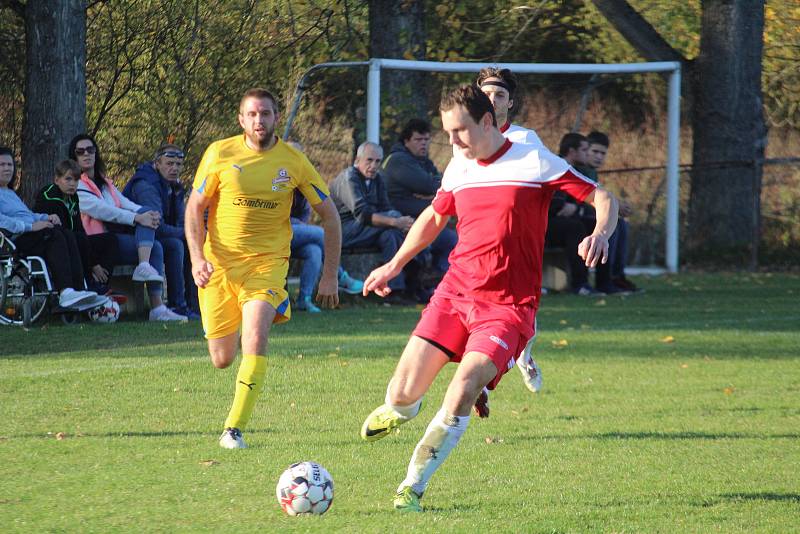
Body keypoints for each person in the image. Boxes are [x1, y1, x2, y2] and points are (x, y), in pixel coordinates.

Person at [359, 85, 618, 512]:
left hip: (508, 307)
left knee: (462, 387)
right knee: (402, 394)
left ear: (486, 121)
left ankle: (412, 486)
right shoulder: (459, 166)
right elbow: (436, 216)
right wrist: (395, 264)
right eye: (447, 133)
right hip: (455, 294)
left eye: (460, 130)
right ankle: (401, 409)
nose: (454, 141)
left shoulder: (533, 159)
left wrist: (600, 232)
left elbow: (602, 197)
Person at [185, 87, 342, 449]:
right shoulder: (220, 153)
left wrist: (330, 274)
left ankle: (233, 429)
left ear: (276, 117)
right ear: (241, 119)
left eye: (266, 114)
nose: (259, 120)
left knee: (254, 334)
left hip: (267, 265)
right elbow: (195, 208)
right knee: (222, 359)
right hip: (220, 267)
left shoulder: (293, 161)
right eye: (252, 114)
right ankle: (253, 313)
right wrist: (197, 258)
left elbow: (330, 216)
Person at [70, 133, 187, 321]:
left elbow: (124, 202)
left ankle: (157, 308)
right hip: (96, 242)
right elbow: (104, 211)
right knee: (152, 229)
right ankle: (146, 269)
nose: (86, 154)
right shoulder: (75, 184)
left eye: (91, 150)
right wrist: (137, 218)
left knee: (156, 243)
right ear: (74, 156)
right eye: (80, 151)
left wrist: (146, 213)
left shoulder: (103, 182)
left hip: (114, 238)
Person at [0, 147, 105, 310]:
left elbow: (27, 214)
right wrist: (31, 226)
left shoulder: (10, 193)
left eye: (9, 164)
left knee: (68, 234)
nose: (7, 168)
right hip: (16, 239)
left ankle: (79, 291)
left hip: (30, 232)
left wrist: (45, 217)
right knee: (55, 236)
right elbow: (4, 221)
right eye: (2, 165)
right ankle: (65, 292)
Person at [329, 141, 425, 303]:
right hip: (344, 232)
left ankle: (397, 290)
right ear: (357, 161)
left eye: (378, 161)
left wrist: (397, 223)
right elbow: (362, 214)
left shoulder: (377, 179)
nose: (373, 165)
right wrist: (396, 222)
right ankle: (417, 272)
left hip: (370, 229)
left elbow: (385, 207)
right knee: (395, 223)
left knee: (390, 235)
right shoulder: (349, 178)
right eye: (369, 160)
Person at [123, 143, 200, 319]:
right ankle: (177, 305)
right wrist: (188, 233)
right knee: (175, 244)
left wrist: (190, 233)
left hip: (156, 235)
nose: (174, 168)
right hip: (135, 237)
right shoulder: (146, 185)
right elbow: (155, 224)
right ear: (157, 164)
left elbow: (181, 221)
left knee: (190, 242)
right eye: (169, 163)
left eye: (178, 164)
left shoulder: (174, 185)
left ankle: (193, 306)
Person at [34, 159, 120, 296]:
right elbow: (65, 231)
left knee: (110, 240)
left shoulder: (73, 198)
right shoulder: (50, 197)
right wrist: (93, 264)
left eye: (76, 180)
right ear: (57, 180)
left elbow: (79, 229)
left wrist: (94, 262)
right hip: (53, 243)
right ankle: (89, 284)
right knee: (77, 238)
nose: (72, 184)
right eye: (68, 179)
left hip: (74, 239)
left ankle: (101, 285)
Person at [382, 119, 457, 276]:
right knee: (450, 240)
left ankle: (435, 279)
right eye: (418, 139)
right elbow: (429, 185)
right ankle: (426, 281)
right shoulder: (399, 160)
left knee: (452, 239)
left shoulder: (424, 162)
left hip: (421, 217)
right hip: (403, 220)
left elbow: (443, 184)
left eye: (426, 139)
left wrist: (427, 192)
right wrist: (428, 192)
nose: (423, 143)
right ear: (406, 141)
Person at [290, 189, 364, 312]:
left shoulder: (304, 194)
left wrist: (300, 224)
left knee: (314, 251)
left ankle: (304, 300)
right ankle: (341, 276)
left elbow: (304, 218)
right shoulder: (282, 184)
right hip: (276, 233)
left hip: (293, 235)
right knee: (322, 234)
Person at [585, 131, 639, 293]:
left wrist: (615, 207)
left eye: (603, 153)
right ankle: (604, 280)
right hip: (576, 220)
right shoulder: (575, 170)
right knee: (611, 226)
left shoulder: (591, 172)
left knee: (620, 222)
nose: (599, 157)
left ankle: (616, 276)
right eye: (595, 152)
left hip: (586, 216)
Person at [551, 133, 598, 295]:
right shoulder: (556, 166)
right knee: (575, 227)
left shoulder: (576, 171)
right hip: (541, 224)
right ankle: (580, 284)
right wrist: (567, 208)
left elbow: (580, 205)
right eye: (585, 150)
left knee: (598, 223)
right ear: (572, 151)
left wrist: (577, 209)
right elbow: (556, 206)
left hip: (559, 220)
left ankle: (607, 281)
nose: (589, 154)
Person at [475, 66, 544, 147]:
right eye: (486, 94)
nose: (492, 100)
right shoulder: (466, 137)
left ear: (510, 103)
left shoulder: (526, 138)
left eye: (500, 95)